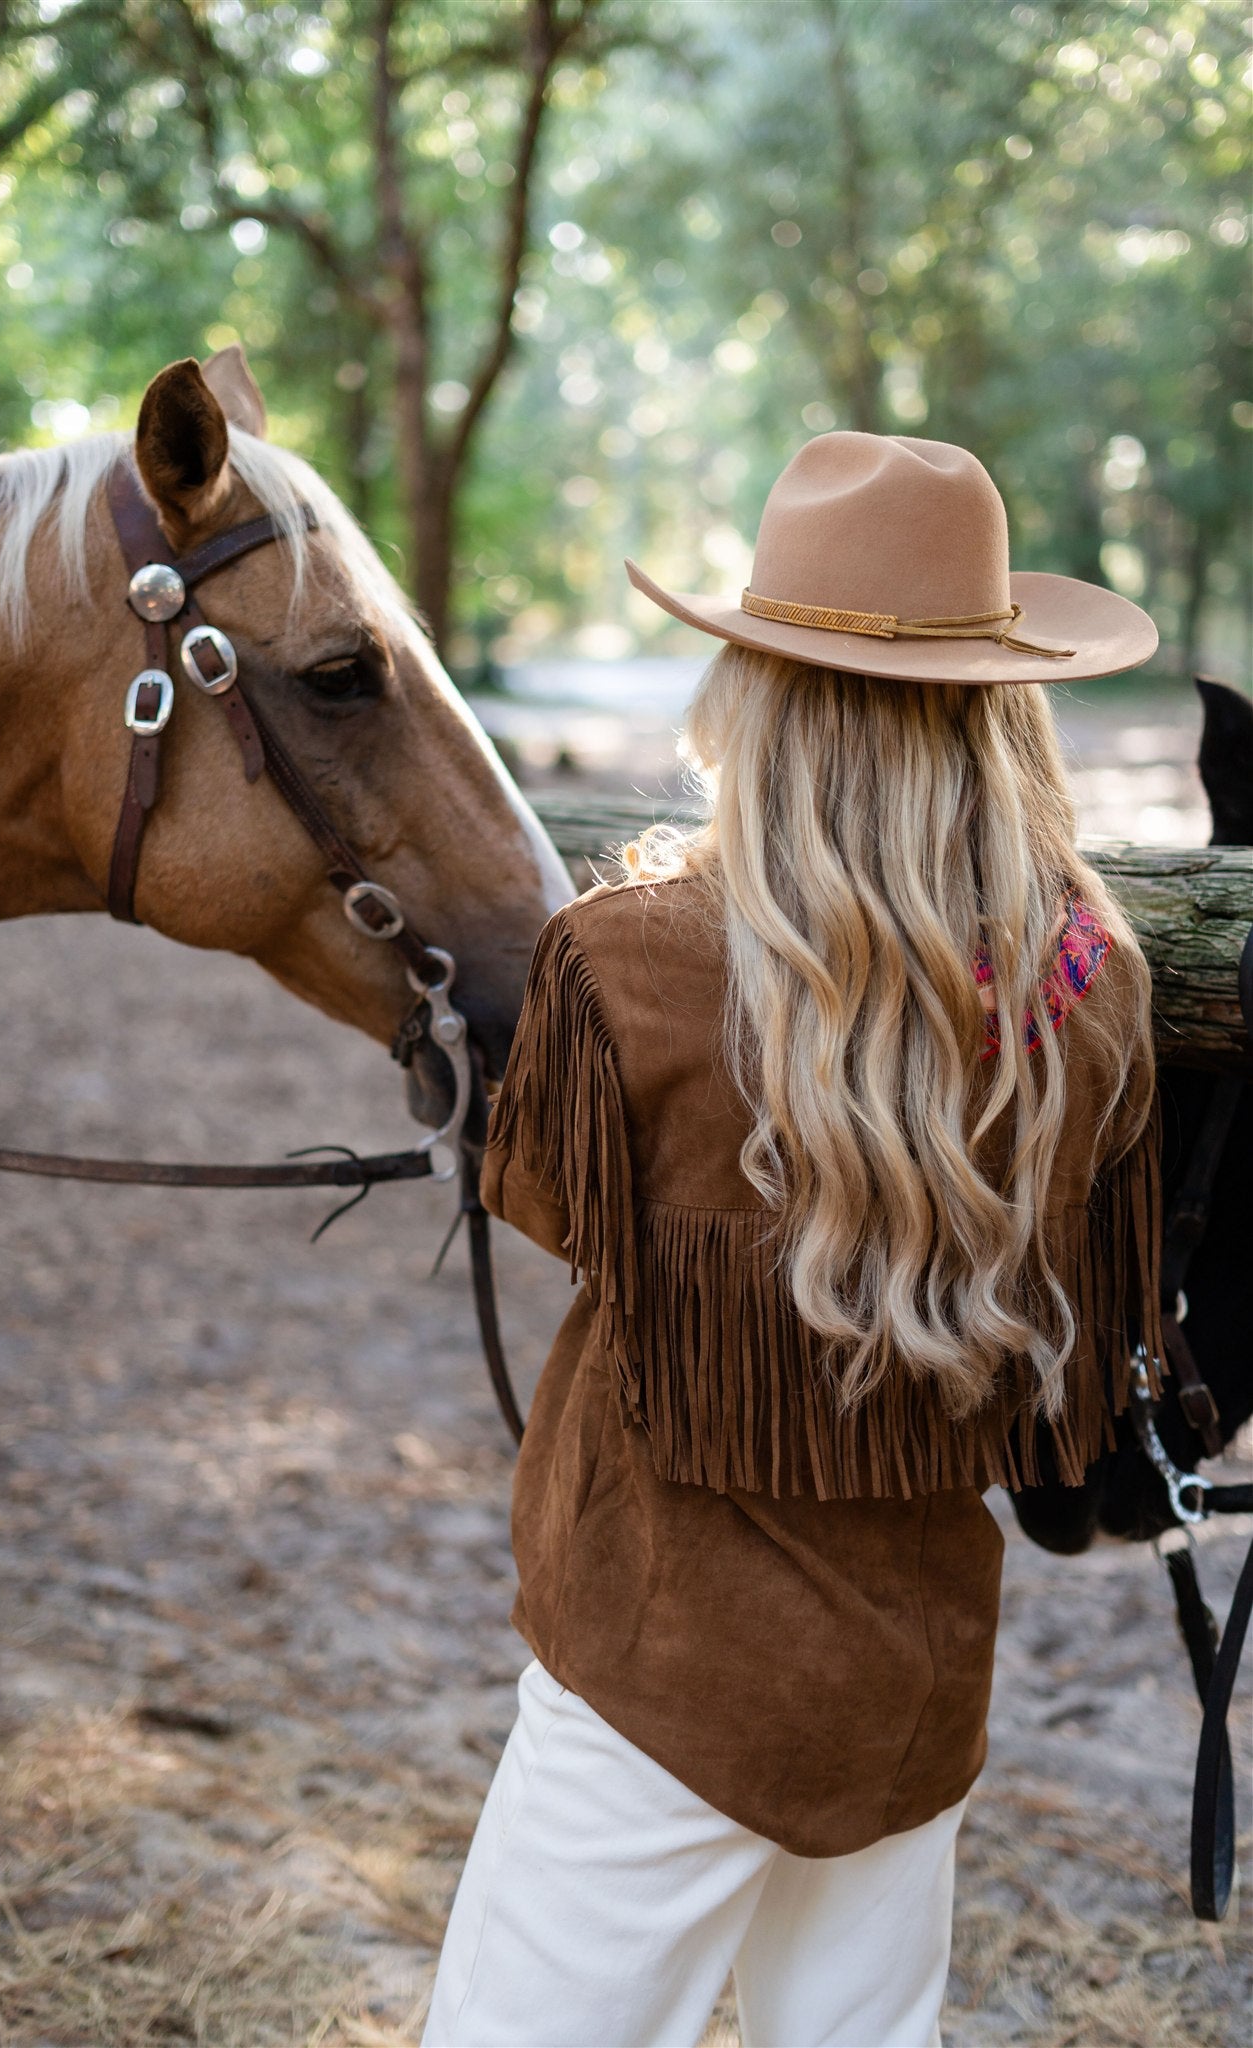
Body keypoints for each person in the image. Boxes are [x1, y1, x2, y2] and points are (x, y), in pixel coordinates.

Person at [422, 431, 1163, 2048]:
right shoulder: (1088, 988)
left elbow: (556, 1215)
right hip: (911, 1682)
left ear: (755, 690)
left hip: (657, 1663)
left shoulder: (621, 966)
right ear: (1000, 699)